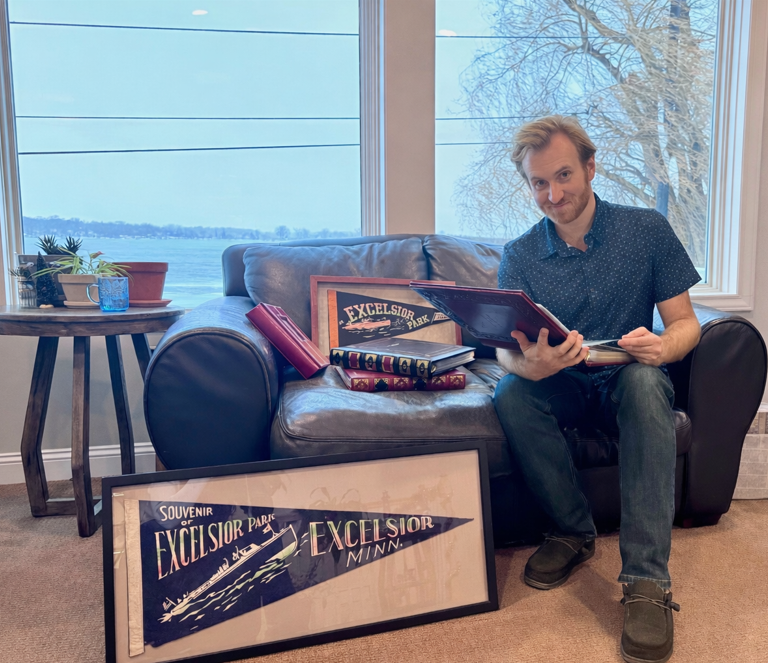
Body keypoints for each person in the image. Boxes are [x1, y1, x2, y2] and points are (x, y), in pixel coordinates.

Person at [492, 115, 701, 663]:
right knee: (509, 393)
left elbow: (686, 324)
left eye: (563, 175)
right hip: (561, 383)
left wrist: (664, 346)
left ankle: (648, 581)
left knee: (645, 383)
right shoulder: (519, 254)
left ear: (590, 166)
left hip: (627, 381)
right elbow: (502, 351)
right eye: (539, 183)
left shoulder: (647, 230)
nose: (553, 194)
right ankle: (572, 531)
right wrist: (527, 365)